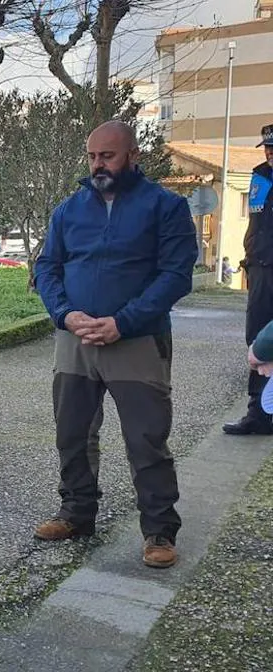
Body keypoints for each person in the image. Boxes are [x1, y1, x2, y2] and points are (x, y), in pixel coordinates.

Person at [33, 120, 197, 569]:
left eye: (107, 155)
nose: (97, 164)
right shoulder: (69, 210)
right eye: (92, 156)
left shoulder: (165, 207)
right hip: (75, 339)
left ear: (133, 155)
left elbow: (175, 276)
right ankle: (77, 513)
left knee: (145, 439)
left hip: (137, 340)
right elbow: (47, 267)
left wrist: (122, 322)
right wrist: (66, 314)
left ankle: (159, 530)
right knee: (72, 433)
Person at [223, 124, 273, 436]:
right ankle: (259, 412)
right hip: (260, 270)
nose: (270, 152)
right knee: (258, 341)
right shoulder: (259, 177)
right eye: (267, 147)